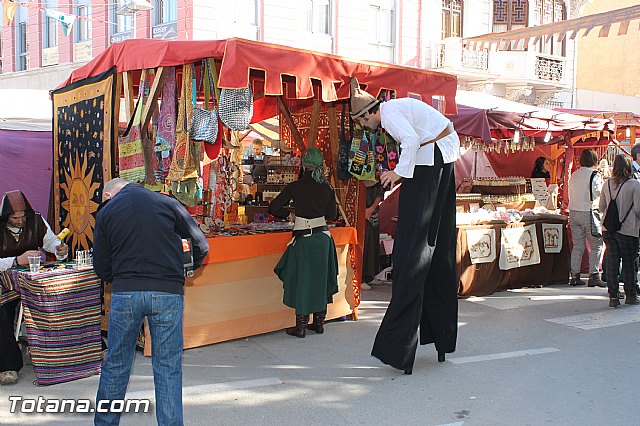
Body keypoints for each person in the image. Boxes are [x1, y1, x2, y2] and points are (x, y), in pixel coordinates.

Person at [350, 78, 459, 375]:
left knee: (412, 253)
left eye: (362, 122)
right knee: (433, 250)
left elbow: (410, 141)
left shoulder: (391, 115)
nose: (364, 127)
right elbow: (415, 141)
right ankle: (438, 339)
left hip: (435, 157)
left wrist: (397, 175)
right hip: (439, 157)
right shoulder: (395, 111)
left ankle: (401, 347)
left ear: (366, 115)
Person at [93, 178, 208, 425]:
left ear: (109, 195)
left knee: (116, 364)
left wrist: (120, 278)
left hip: (126, 293)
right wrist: (183, 269)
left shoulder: (108, 211)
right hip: (167, 291)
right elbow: (201, 245)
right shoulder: (168, 203)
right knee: (167, 366)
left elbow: (100, 266)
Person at [0, 190, 69, 385]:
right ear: (6, 217)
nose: (21, 221)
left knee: (62, 296)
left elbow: (53, 244)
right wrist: (15, 260)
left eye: (23, 217)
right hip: (4, 282)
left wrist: (60, 250)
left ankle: (74, 352)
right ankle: (8, 366)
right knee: (1, 314)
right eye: (15, 218)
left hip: (34, 280)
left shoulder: (36, 221)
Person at [269, 148, 338, 338]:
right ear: (320, 166)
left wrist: (290, 213)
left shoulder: (295, 187)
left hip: (303, 241)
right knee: (320, 280)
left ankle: (300, 327)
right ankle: (319, 323)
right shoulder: (328, 188)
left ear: (303, 165)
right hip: (323, 239)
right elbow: (332, 215)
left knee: (303, 281)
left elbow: (273, 207)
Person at [599, 155, 640, 307]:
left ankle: (613, 297)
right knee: (629, 263)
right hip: (628, 230)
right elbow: (638, 209)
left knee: (612, 261)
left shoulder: (607, 184)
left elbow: (602, 207)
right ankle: (630, 295)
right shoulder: (635, 184)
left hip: (608, 229)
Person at [567, 149, 606, 287]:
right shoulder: (595, 175)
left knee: (578, 245)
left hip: (574, 212)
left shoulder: (575, 175)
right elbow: (597, 193)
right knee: (597, 244)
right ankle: (594, 275)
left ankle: (575, 275)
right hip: (588, 212)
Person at [362, 179, 385, 289]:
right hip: (362, 214)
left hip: (373, 213)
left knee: (373, 246)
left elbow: (380, 193)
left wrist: (371, 209)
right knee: (365, 246)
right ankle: (361, 278)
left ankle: (370, 276)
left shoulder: (376, 176)